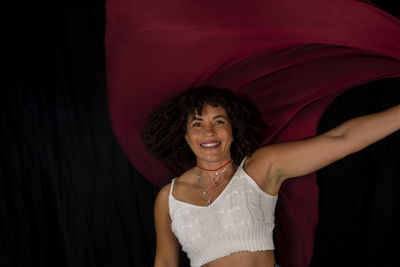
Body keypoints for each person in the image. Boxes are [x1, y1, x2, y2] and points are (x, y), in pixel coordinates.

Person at [143, 86, 400, 267]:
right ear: (186, 136)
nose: (209, 132)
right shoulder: (169, 197)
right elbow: (165, 262)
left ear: (233, 130)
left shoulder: (260, 169)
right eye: (197, 124)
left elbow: (342, 138)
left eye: (219, 122)